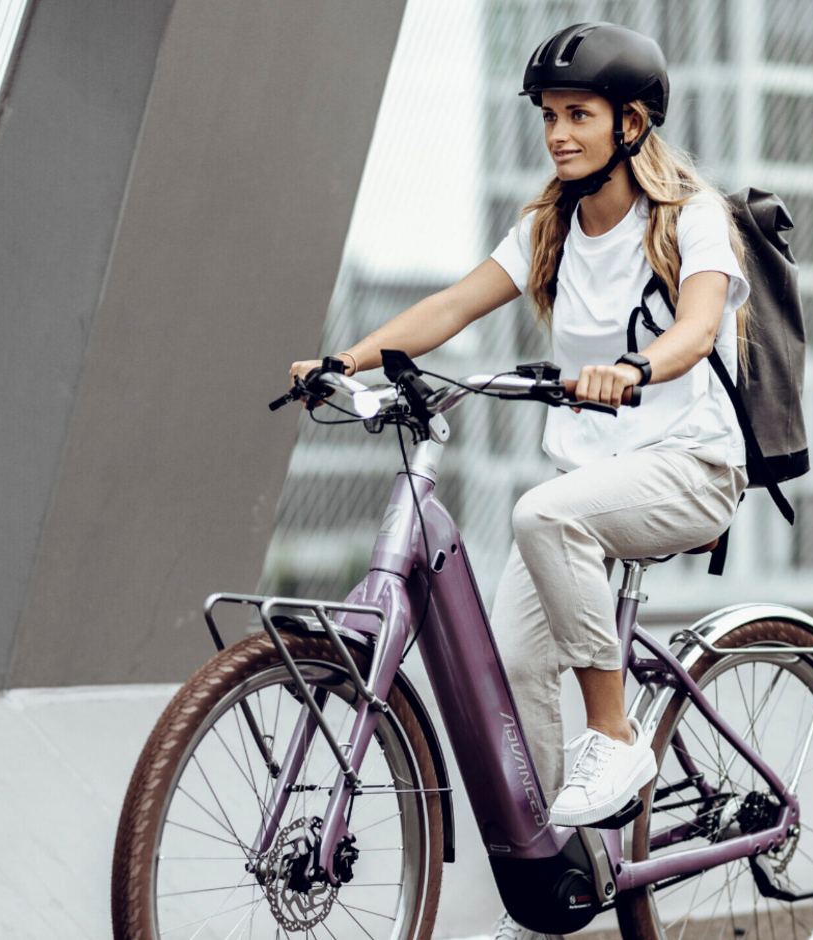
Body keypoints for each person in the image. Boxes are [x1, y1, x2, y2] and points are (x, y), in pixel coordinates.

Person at [290, 21, 750, 932]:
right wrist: (346, 360)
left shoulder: (691, 216)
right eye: (549, 116)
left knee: (543, 515)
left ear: (631, 124)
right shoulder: (550, 225)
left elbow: (699, 327)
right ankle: (559, 880)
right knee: (513, 668)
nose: (558, 134)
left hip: (691, 466)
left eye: (579, 114)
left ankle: (613, 737)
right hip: (593, 481)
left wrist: (637, 368)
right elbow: (455, 304)